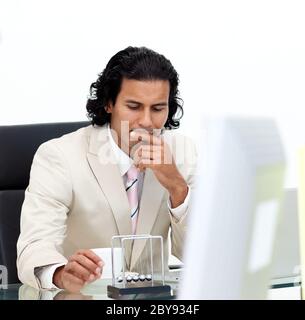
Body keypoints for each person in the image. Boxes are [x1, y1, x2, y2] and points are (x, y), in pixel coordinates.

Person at [17, 46, 197, 293]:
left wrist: (177, 187)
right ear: (109, 103)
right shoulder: (59, 156)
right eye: (133, 106)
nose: (146, 121)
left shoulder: (183, 152)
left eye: (157, 108)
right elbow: (34, 246)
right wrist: (59, 274)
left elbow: (198, 254)